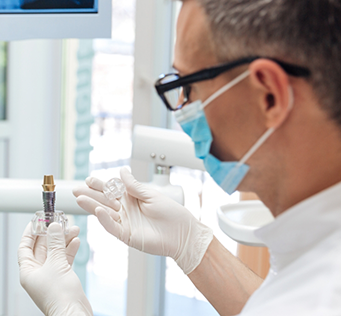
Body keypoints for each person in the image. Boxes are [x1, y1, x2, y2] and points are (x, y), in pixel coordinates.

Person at [18, 0, 341, 315]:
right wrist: (193, 246)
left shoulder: (321, 294)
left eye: (189, 87)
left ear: (269, 95)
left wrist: (68, 309)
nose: (184, 110)